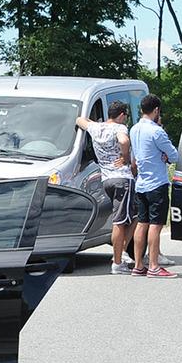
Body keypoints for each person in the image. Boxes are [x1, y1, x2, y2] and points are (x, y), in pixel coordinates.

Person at [76, 100, 134, 273]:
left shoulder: (97, 128)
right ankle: (118, 261)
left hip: (106, 178)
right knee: (120, 221)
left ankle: (119, 255)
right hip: (122, 177)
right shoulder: (120, 128)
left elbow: (79, 119)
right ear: (122, 115)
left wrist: (94, 123)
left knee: (126, 216)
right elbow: (123, 141)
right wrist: (125, 157)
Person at [129, 94, 179, 278]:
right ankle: (154, 266)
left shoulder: (134, 129)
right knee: (156, 225)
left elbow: (135, 157)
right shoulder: (157, 131)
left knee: (141, 223)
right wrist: (165, 156)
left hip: (141, 183)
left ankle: (138, 265)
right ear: (156, 110)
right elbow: (174, 156)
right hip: (157, 183)